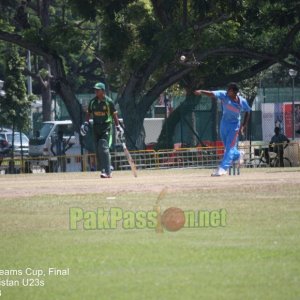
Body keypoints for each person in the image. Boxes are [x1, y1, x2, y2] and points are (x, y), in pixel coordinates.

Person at [194, 82, 251, 176]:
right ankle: (238, 154)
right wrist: (201, 91)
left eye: (229, 90)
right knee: (228, 148)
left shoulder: (242, 101)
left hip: (234, 126)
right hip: (224, 124)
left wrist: (243, 126)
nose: (227, 91)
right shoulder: (224, 95)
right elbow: (212, 93)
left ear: (233, 92)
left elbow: (248, 111)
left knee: (229, 148)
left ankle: (223, 169)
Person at [80, 82, 123, 178]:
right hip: (96, 128)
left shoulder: (109, 102)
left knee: (104, 147)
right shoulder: (92, 102)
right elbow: (88, 113)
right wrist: (86, 123)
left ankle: (108, 172)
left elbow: (114, 114)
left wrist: (118, 127)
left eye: (98, 90)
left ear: (103, 91)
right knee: (98, 150)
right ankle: (104, 169)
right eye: (95, 89)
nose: (95, 91)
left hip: (106, 127)